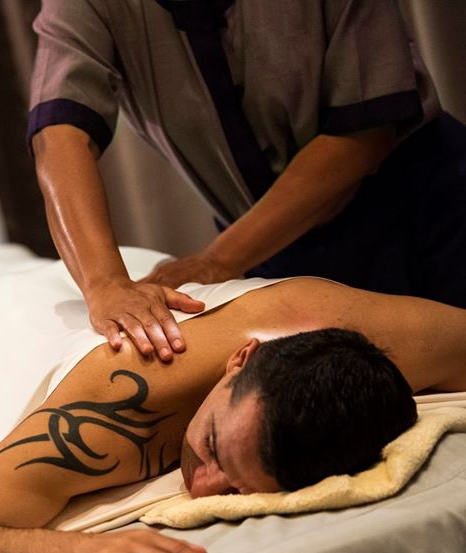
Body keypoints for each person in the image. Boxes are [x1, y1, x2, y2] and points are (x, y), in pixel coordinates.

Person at [0, 277, 466, 553]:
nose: (203, 490)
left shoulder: (405, 347)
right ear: (238, 362)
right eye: (211, 446)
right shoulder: (113, 413)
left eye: (236, 490)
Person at [28, 0, 466, 360]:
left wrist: (215, 262)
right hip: (266, 253)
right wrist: (105, 286)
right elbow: (59, 133)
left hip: (427, 212)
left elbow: (365, 133)